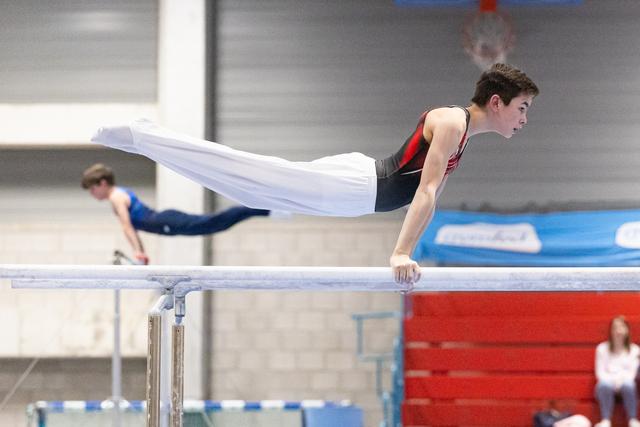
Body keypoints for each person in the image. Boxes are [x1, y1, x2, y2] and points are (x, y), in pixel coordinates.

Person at [90, 63, 539, 282]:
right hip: (355, 187)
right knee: (244, 175)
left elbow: (427, 195)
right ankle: (143, 135)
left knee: (244, 185)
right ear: (496, 101)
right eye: (522, 108)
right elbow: (425, 194)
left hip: (354, 194)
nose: (523, 118)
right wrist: (400, 253)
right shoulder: (453, 121)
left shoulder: (462, 133)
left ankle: (147, 140)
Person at [82, 163, 271, 264]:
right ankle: (265, 208)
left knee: (213, 222)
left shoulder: (116, 197)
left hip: (165, 221)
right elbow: (132, 229)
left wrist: (138, 251)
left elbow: (127, 227)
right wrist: (141, 252)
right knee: (213, 224)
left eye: (92, 189)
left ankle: (267, 207)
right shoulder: (118, 195)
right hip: (165, 221)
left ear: (103, 183)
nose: (92, 194)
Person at [594, 316, 640, 427]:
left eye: (622, 327)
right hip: (607, 383)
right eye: (615, 327)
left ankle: (633, 419)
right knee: (603, 385)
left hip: (626, 383)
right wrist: (614, 381)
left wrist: (620, 381)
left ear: (627, 330)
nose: (618, 331)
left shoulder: (635, 350)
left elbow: (632, 373)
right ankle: (605, 420)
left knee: (628, 385)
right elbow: (600, 372)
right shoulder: (601, 348)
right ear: (610, 330)